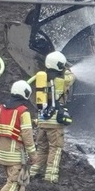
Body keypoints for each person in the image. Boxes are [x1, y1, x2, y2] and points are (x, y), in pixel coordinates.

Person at [30, 51, 75, 183]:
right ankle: (51, 176)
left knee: (42, 149)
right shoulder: (61, 80)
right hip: (54, 122)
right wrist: (68, 69)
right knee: (55, 149)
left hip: (42, 120)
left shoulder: (42, 79)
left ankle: (33, 171)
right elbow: (71, 77)